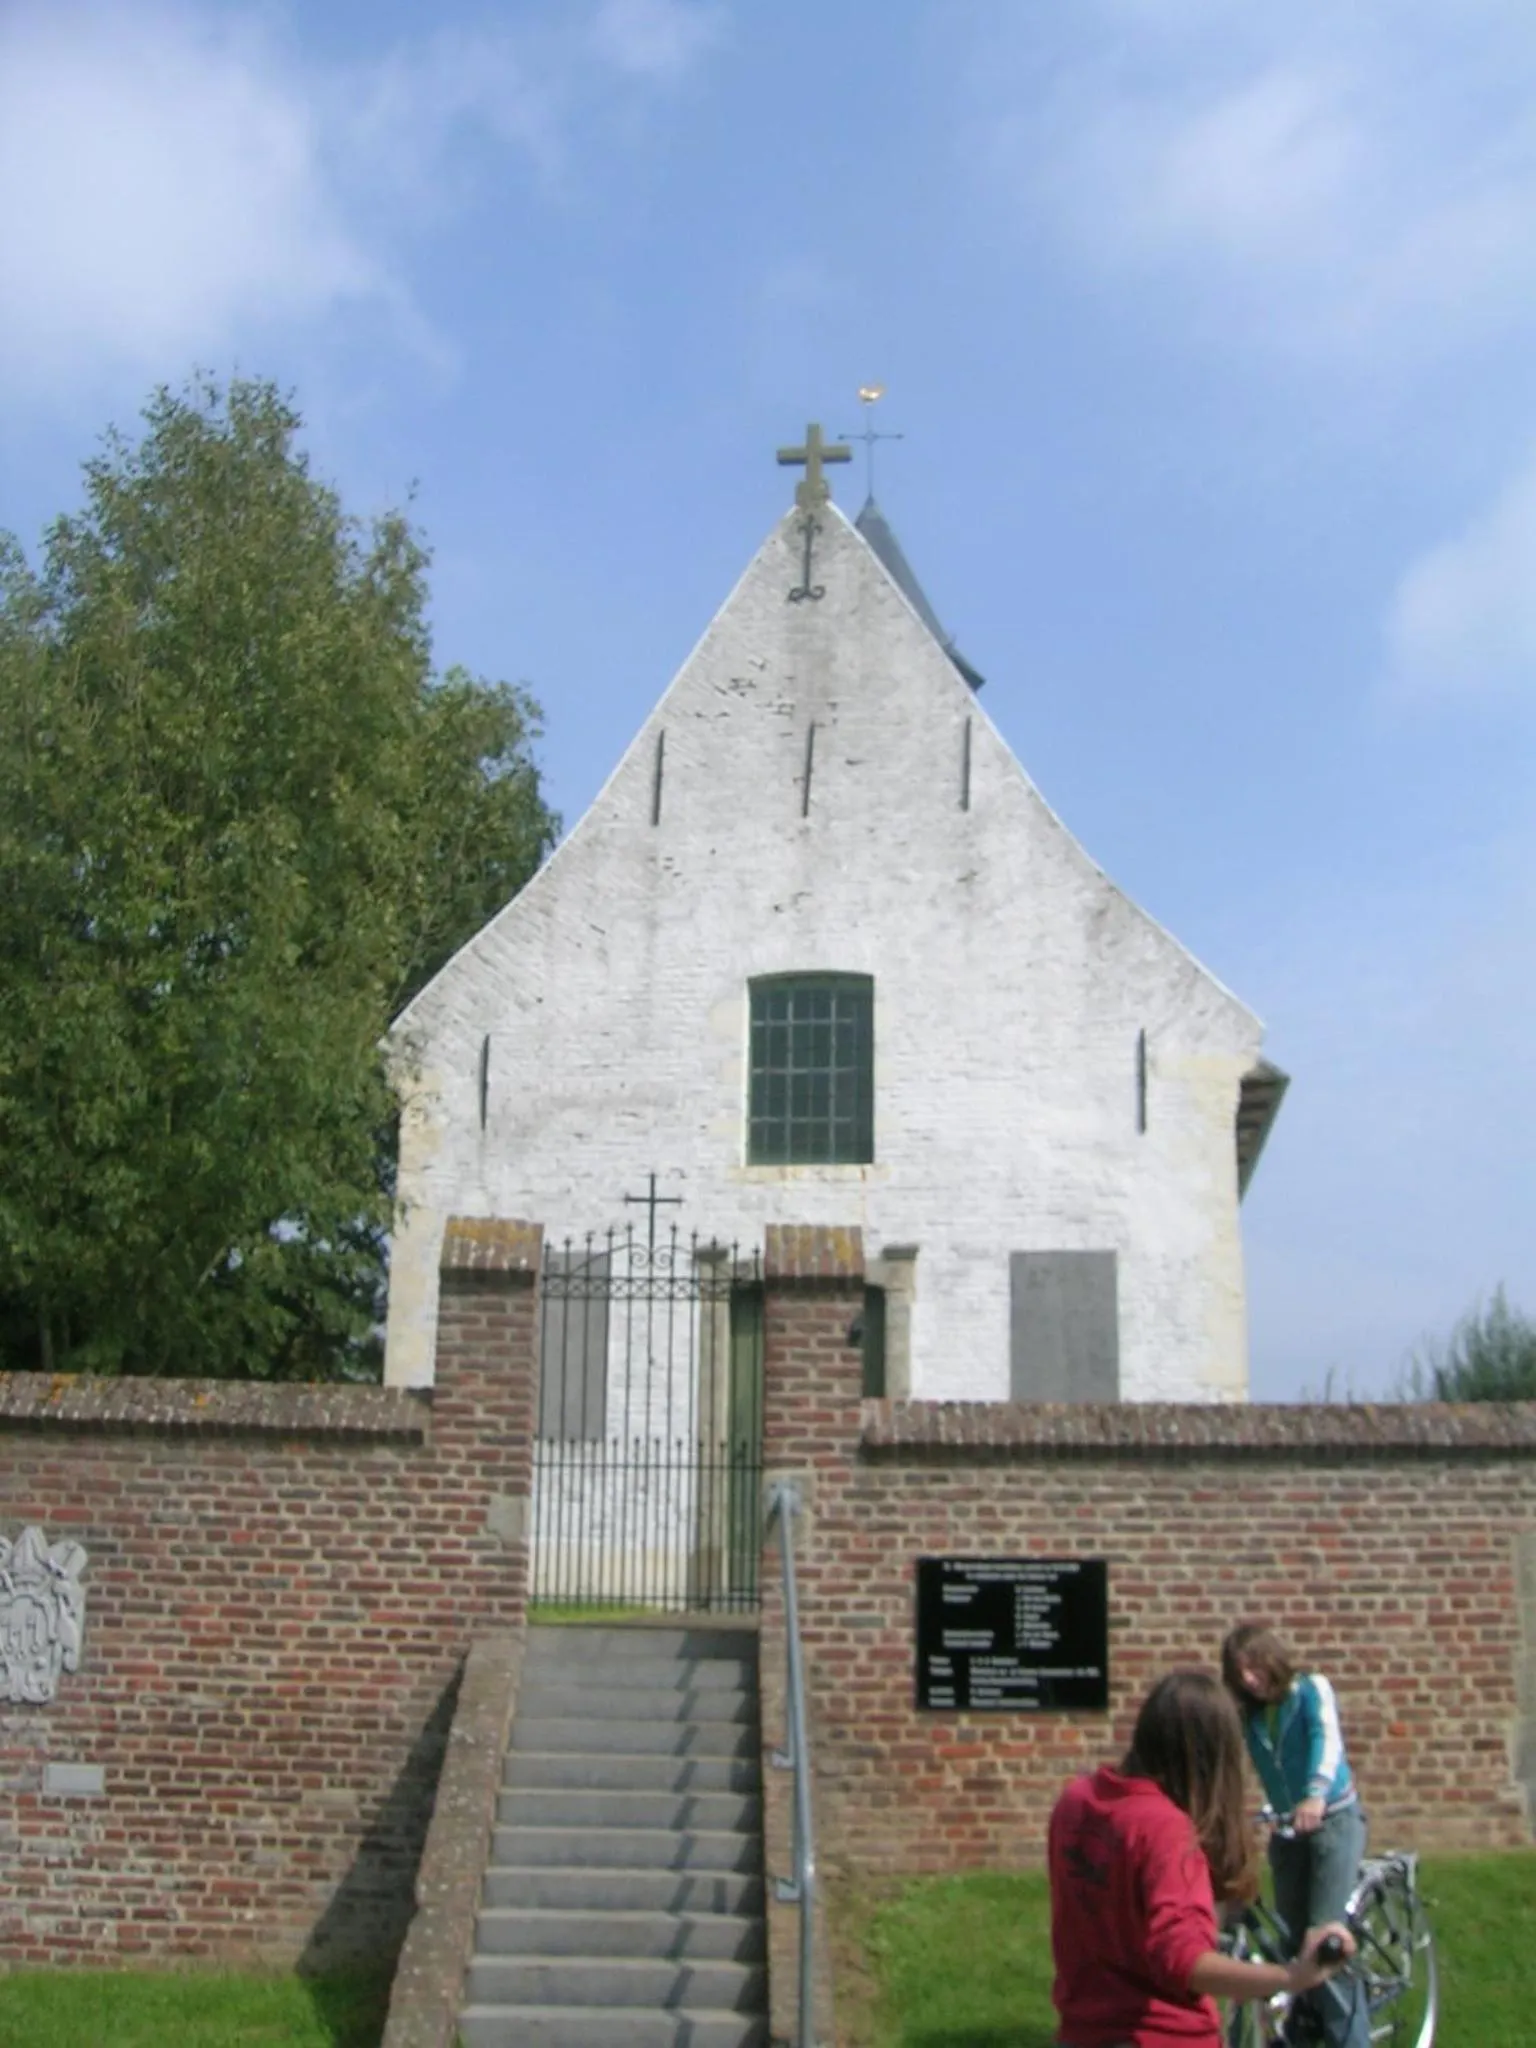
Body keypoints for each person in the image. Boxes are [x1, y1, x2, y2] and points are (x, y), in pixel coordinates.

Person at [1049, 1670, 1353, 2047]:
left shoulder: (1076, 1803)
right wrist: (1294, 1976)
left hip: (1081, 2033)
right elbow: (1185, 1960)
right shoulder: (1163, 1829)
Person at [1221, 1624, 1370, 2048]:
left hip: (1333, 1821)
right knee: (1291, 1942)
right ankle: (1305, 2029)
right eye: (1239, 1673)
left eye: (1253, 1666)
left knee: (1323, 1940)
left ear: (1271, 1658)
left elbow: (1327, 1739)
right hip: (1290, 1830)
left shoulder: (1310, 1689)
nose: (1249, 1679)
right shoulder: (1249, 1716)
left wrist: (1315, 1795)